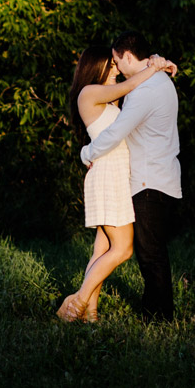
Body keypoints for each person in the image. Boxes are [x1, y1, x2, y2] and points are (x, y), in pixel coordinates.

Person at [59, 45, 175, 323]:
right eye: (111, 63)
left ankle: (91, 312)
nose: (116, 67)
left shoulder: (111, 101)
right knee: (123, 249)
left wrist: (156, 60)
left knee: (102, 249)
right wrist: (155, 66)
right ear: (97, 66)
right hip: (108, 174)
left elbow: (134, 83)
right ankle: (75, 303)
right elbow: (134, 81)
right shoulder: (90, 92)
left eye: (116, 62)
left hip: (120, 174)